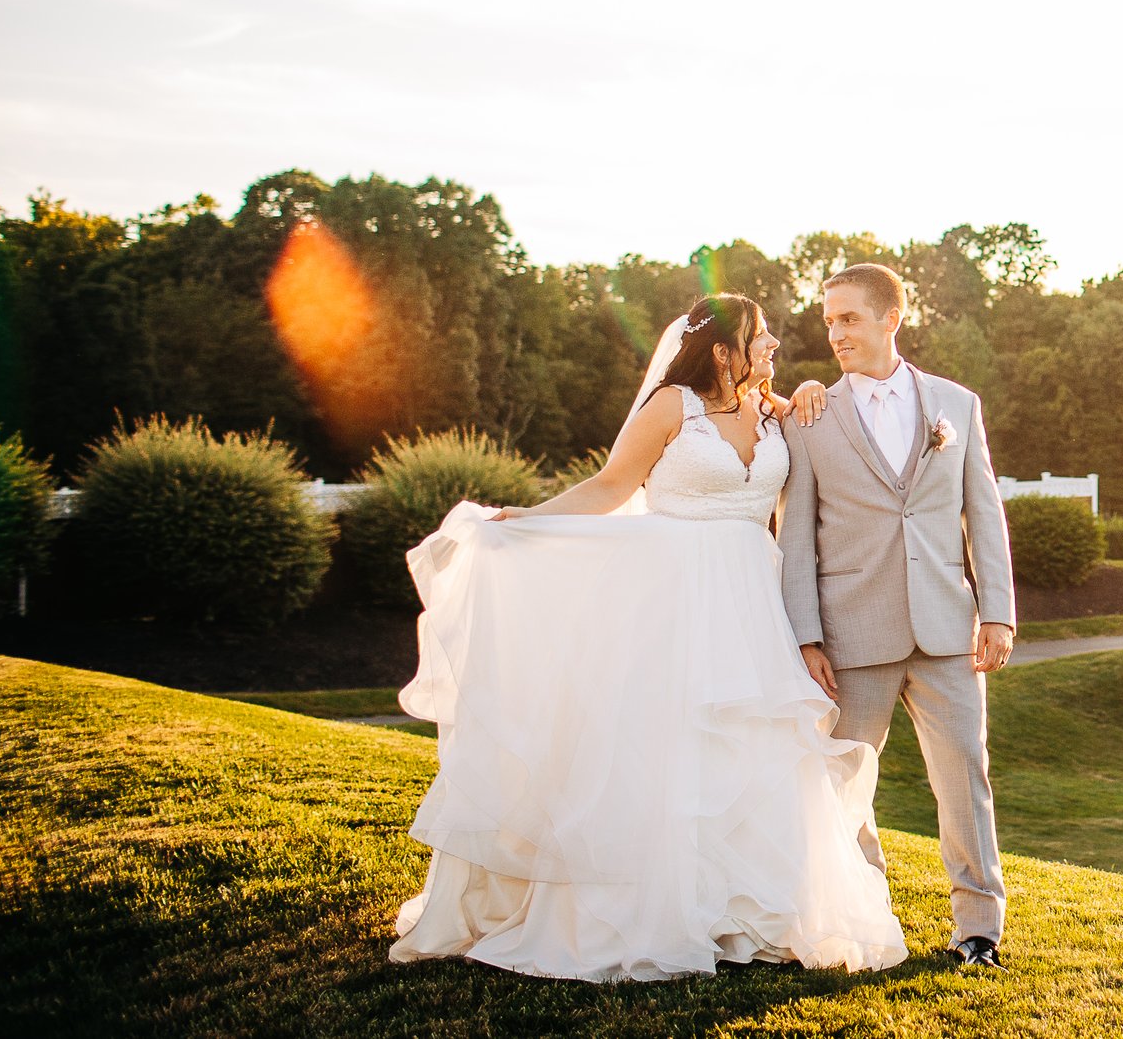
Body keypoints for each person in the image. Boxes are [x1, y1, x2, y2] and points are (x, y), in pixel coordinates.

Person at [388, 292, 907, 982]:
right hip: (673, 600)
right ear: (721, 349)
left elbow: (825, 444)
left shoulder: (771, 410)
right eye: (760, 338)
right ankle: (658, 910)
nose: (774, 346)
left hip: (752, 600)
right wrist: (529, 519)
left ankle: (746, 912)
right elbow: (608, 488)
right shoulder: (671, 407)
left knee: (754, 750)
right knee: (666, 751)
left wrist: (808, 389)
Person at [779, 262, 1015, 967]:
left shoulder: (957, 405)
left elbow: (984, 512)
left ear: (892, 318)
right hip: (852, 631)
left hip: (947, 626)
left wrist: (997, 612)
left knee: (965, 779)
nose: (835, 333)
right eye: (828, 321)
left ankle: (978, 930)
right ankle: (866, 918)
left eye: (848, 318)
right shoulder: (811, 417)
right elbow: (794, 534)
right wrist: (806, 634)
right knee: (847, 787)